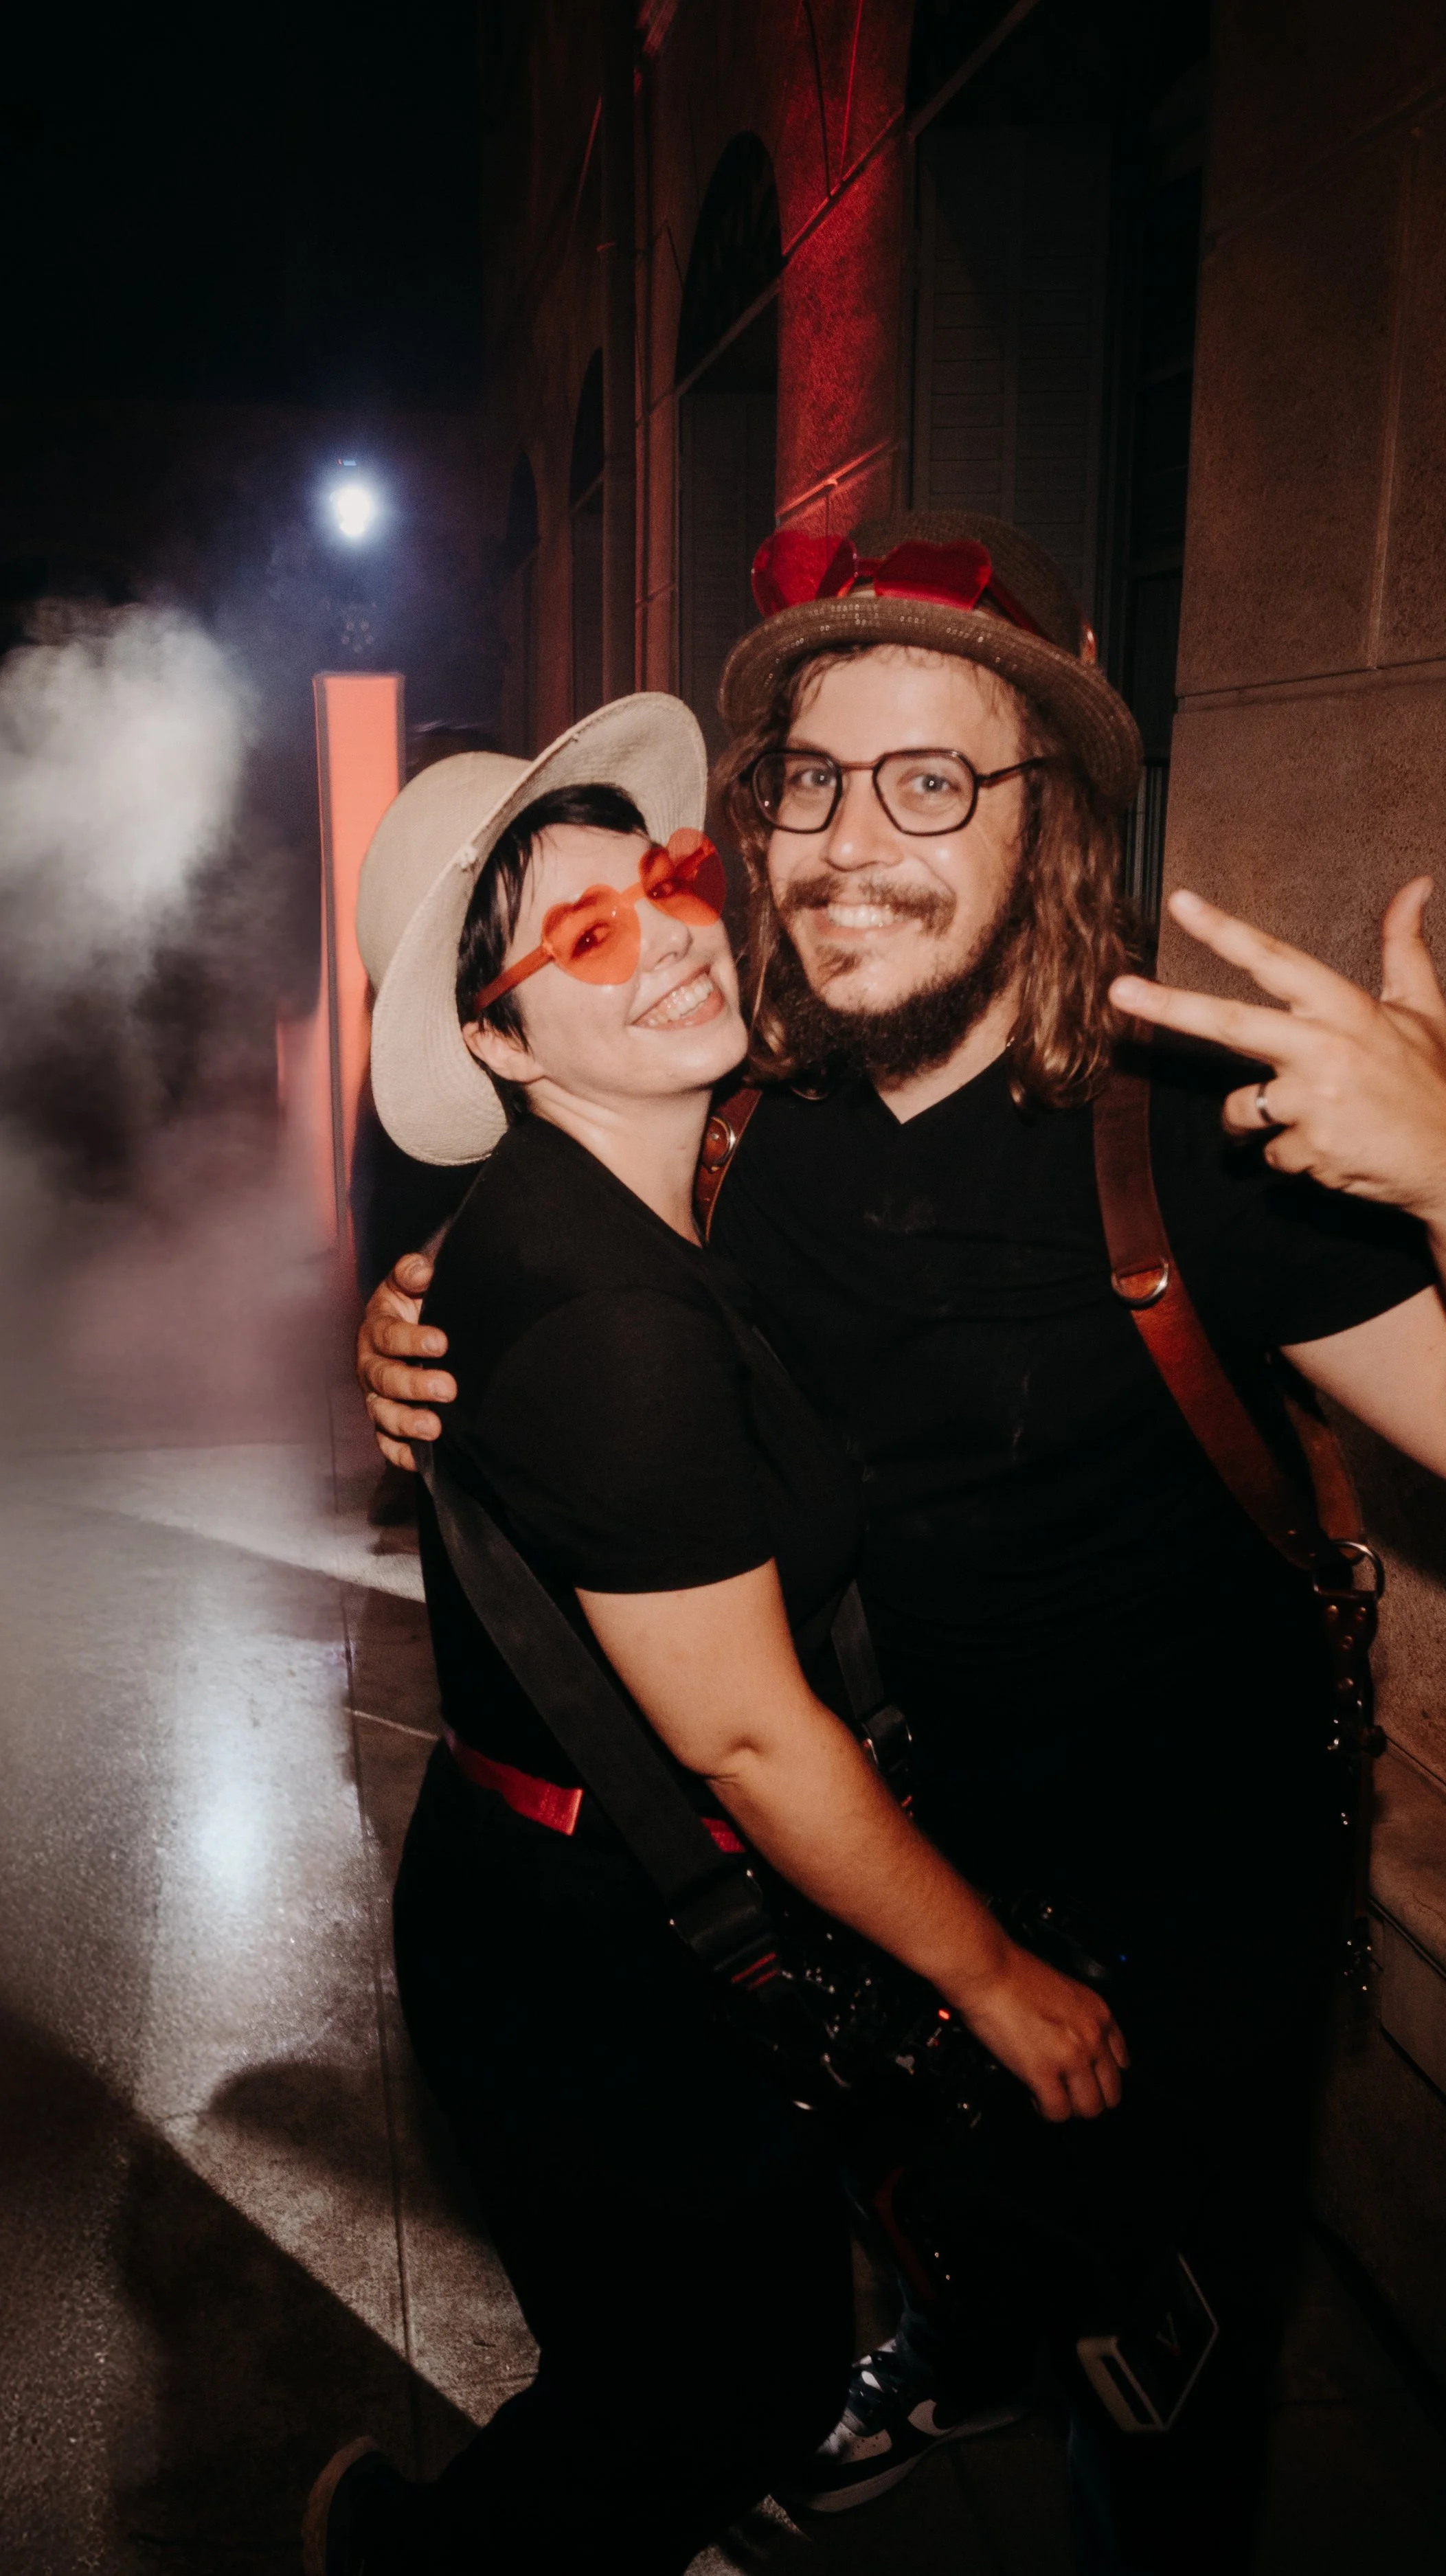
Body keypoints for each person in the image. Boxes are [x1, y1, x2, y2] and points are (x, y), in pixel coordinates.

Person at [357, 517, 1446, 2574]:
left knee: (1164, 2409)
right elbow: (573, 1264)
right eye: (806, 779)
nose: (854, 842)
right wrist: (415, 1316)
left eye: (933, 781)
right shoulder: (742, 1105)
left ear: (1051, 825)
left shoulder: (1191, 1139)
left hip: (1181, 1902)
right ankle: (954, 2338)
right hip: (899, 1895)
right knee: (964, 2254)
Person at [305, 692, 1124, 2576]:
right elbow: (747, 1734)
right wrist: (996, 1980)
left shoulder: (648, 1199)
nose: (671, 933)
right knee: (694, 2391)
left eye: (667, 879)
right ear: (498, 1037)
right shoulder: (603, 1303)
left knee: (702, 2368)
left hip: (609, 1923)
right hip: (592, 1960)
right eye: (582, 934)